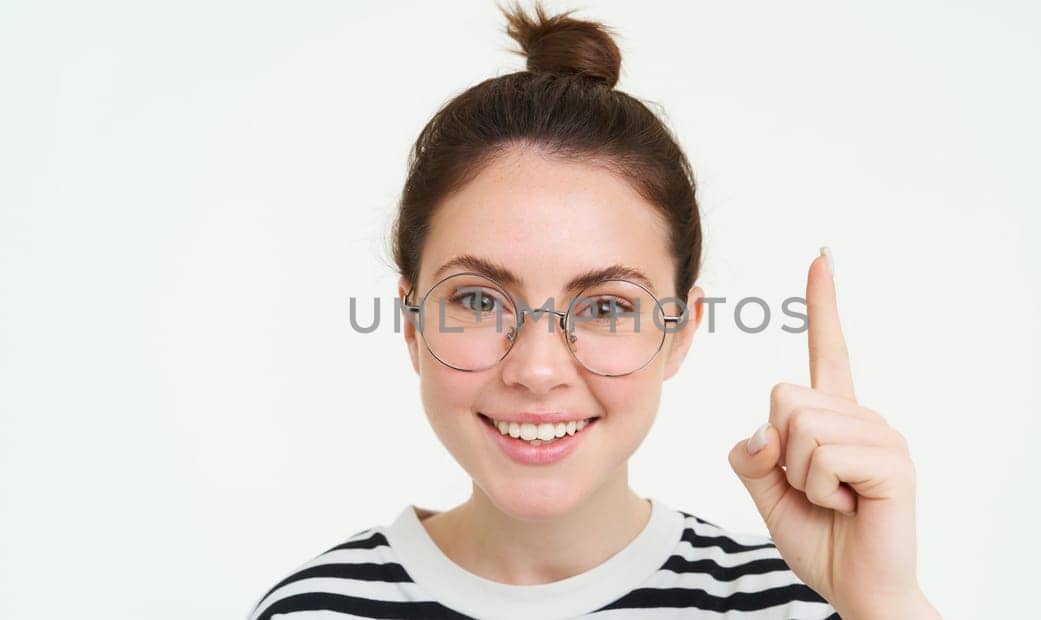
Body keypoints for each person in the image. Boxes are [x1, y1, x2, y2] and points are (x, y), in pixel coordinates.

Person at [249, 3, 938, 618]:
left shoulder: (798, 605)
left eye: (606, 306)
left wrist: (883, 603)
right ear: (410, 323)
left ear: (680, 332)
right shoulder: (314, 610)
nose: (538, 369)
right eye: (481, 300)